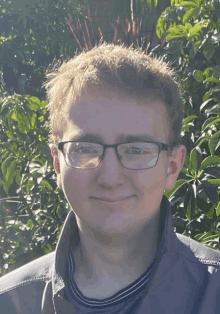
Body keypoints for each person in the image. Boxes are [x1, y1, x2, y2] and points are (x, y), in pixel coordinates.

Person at [0, 42, 220, 314]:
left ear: (172, 167)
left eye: (137, 150)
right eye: (86, 149)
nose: (110, 177)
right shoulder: (11, 303)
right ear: (57, 163)